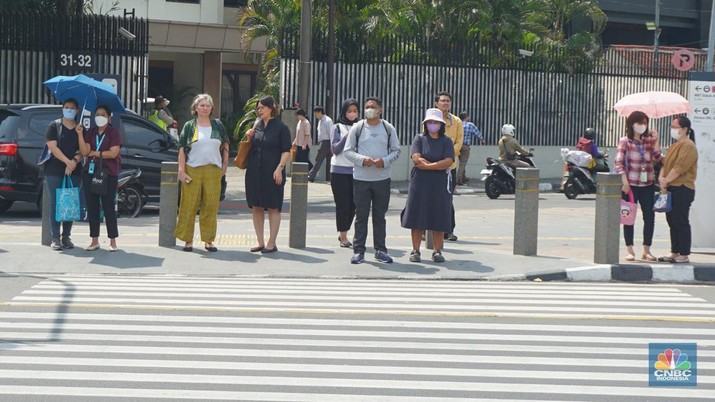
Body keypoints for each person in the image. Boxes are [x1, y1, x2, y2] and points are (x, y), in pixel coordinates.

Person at [343, 96, 401, 264]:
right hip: (361, 178)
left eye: (373, 106)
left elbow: (396, 151)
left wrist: (384, 161)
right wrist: (362, 160)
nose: (369, 109)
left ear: (380, 109)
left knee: (379, 216)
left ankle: (380, 250)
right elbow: (348, 151)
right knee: (361, 216)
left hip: (382, 178)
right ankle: (359, 251)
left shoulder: (388, 128)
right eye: (367, 106)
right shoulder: (358, 128)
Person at [175, 94, 230, 253]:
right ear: (195, 108)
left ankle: (208, 240)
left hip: (213, 170)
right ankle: (188, 240)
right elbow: (182, 149)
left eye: (208, 105)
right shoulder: (189, 126)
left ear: (211, 108)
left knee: (211, 206)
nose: (205, 108)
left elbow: (225, 143)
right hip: (192, 169)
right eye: (202, 105)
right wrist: (181, 170)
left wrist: (225, 164)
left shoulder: (218, 125)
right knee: (188, 205)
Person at [401, 108, 455, 263]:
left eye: (436, 122)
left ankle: (437, 250)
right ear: (425, 124)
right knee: (417, 215)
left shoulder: (446, 141)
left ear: (441, 124)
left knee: (439, 215)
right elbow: (417, 158)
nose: (432, 124)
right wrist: (435, 165)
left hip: (439, 182)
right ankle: (415, 250)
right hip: (420, 182)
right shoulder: (419, 138)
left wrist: (430, 166)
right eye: (430, 122)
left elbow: (449, 161)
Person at [244, 95, 292, 253]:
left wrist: (280, 168)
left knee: (273, 206)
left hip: (273, 172)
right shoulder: (256, 125)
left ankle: (272, 242)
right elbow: (250, 147)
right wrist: (249, 136)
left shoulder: (281, 127)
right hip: (254, 171)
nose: (259, 110)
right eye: (257, 108)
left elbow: (286, 151)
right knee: (256, 206)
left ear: (271, 108)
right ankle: (260, 242)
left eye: (262, 107)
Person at [614, 110, 662, 262]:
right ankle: (630, 250)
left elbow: (657, 158)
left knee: (649, 217)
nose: (642, 126)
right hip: (631, 185)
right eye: (639, 123)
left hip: (648, 184)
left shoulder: (648, 141)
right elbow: (619, 163)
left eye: (645, 123)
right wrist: (625, 182)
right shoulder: (625, 141)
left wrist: (657, 141)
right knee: (629, 217)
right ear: (631, 124)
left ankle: (646, 250)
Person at [77, 105, 123, 252]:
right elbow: (85, 151)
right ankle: (94, 240)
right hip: (90, 172)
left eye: (103, 114)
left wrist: (95, 153)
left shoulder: (113, 133)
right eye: (97, 114)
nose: (100, 117)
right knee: (92, 207)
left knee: (108, 206)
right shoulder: (90, 132)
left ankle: (113, 241)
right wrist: (79, 134)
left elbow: (113, 153)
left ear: (109, 118)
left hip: (108, 173)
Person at [44, 98, 83, 251]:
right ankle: (55, 238)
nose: (69, 110)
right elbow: (53, 148)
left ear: (77, 110)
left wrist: (74, 161)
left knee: (70, 202)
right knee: (55, 203)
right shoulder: (54, 126)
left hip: (75, 170)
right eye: (66, 107)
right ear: (62, 108)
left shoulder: (80, 128)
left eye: (72, 108)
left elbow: (83, 150)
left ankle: (66, 236)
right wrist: (68, 162)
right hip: (54, 170)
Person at [658, 116, 698, 264]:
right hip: (671, 187)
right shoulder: (674, 145)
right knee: (672, 220)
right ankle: (675, 251)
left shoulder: (688, 145)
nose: (672, 129)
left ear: (684, 129)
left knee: (680, 220)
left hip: (683, 188)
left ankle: (684, 253)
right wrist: (662, 180)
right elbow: (665, 164)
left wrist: (666, 180)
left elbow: (679, 168)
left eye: (675, 127)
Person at [330, 98, 359, 248]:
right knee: (342, 204)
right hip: (339, 171)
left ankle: (344, 229)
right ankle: (343, 236)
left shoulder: (361, 127)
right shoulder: (337, 127)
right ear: (343, 112)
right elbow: (334, 149)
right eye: (349, 111)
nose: (352, 114)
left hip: (356, 171)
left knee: (354, 205)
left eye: (355, 111)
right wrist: (346, 137)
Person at [434, 92, 462, 242]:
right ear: (436, 103)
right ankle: (428, 229)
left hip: (450, 166)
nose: (445, 103)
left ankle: (448, 230)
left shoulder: (456, 121)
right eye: (442, 101)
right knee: (431, 198)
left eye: (448, 101)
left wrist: (448, 156)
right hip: (433, 165)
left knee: (447, 198)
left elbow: (459, 142)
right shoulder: (430, 120)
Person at [307, 106, 334, 182]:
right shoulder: (320, 121)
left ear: (319, 112)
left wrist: (332, 144)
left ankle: (311, 175)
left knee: (318, 159)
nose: (315, 115)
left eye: (316, 113)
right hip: (322, 142)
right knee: (327, 160)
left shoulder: (328, 120)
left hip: (326, 141)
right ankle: (329, 177)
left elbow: (331, 133)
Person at [457, 111, 483, 185]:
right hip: (465, 146)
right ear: (467, 117)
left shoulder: (457, 124)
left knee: (460, 162)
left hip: (457, 145)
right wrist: (482, 139)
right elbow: (477, 133)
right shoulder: (470, 125)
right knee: (463, 162)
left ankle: (463, 177)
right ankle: (459, 178)